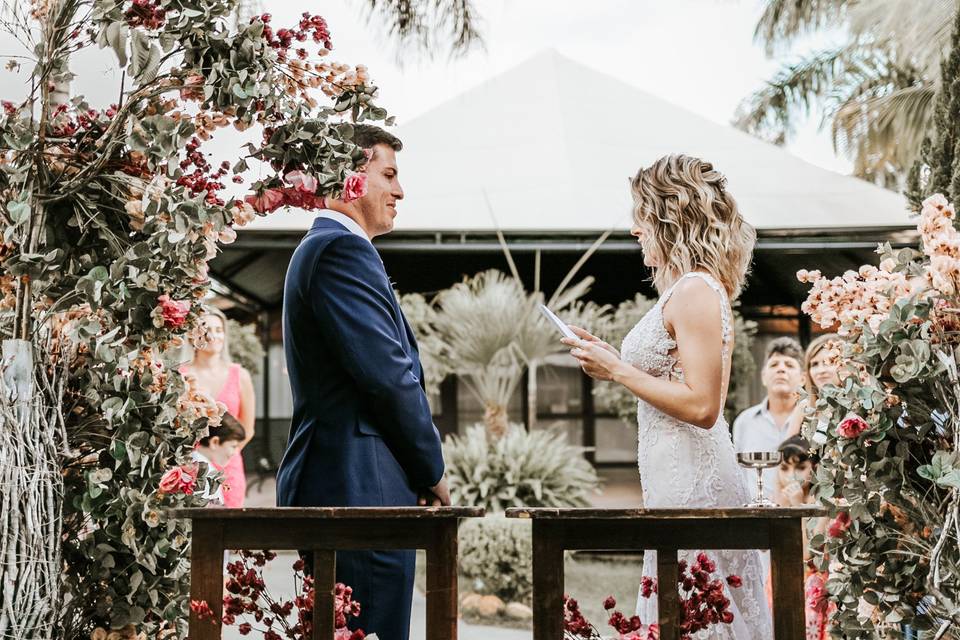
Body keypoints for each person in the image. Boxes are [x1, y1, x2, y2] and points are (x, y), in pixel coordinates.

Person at [565, 154, 772, 637]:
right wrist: (609, 358)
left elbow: (703, 406)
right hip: (672, 478)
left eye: (641, 215)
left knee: (701, 615)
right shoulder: (685, 290)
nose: (635, 229)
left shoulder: (697, 290)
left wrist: (617, 370)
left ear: (669, 218)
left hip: (694, 481)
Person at [276, 124, 447, 640]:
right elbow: (389, 377)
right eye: (388, 175)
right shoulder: (339, 251)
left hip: (355, 480)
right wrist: (432, 469)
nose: (399, 191)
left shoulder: (330, 248)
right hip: (356, 484)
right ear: (351, 178)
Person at [181, 306, 256, 508]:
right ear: (192, 336)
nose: (213, 335)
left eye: (219, 329)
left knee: (231, 533)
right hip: (190, 468)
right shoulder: (181, 375)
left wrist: (223, 457)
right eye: (206, 329)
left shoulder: (240, 376)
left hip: (228, 469)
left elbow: (247, 430)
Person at [771, 435, 831, 640]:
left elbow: (808, 555)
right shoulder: (779, 498)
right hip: (780, 580)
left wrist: (798, 509)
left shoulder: (822, 502)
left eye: (800, 467)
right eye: (784, 468)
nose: (791, 476)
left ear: (814, 467)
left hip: (812, 587)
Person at [732, 337, 805, 500]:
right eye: (774, 365)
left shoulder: (812, 419)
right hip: (753, 518)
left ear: (803, 378)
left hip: (801, 514)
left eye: (789, 365)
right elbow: (737, 474)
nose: (781, 369)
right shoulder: (744, 422)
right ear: (763, 377)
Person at [788, 333, 842, 443]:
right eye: (814, 364)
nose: (821, 371)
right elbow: (788, 453)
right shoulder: (804, 409)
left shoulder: (860, 406)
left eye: (828, 362)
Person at [192, 413, 247, 505]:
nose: (235, 453)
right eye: (233, 446)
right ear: (214, 442)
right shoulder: (205, 472)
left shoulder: (191, 460)